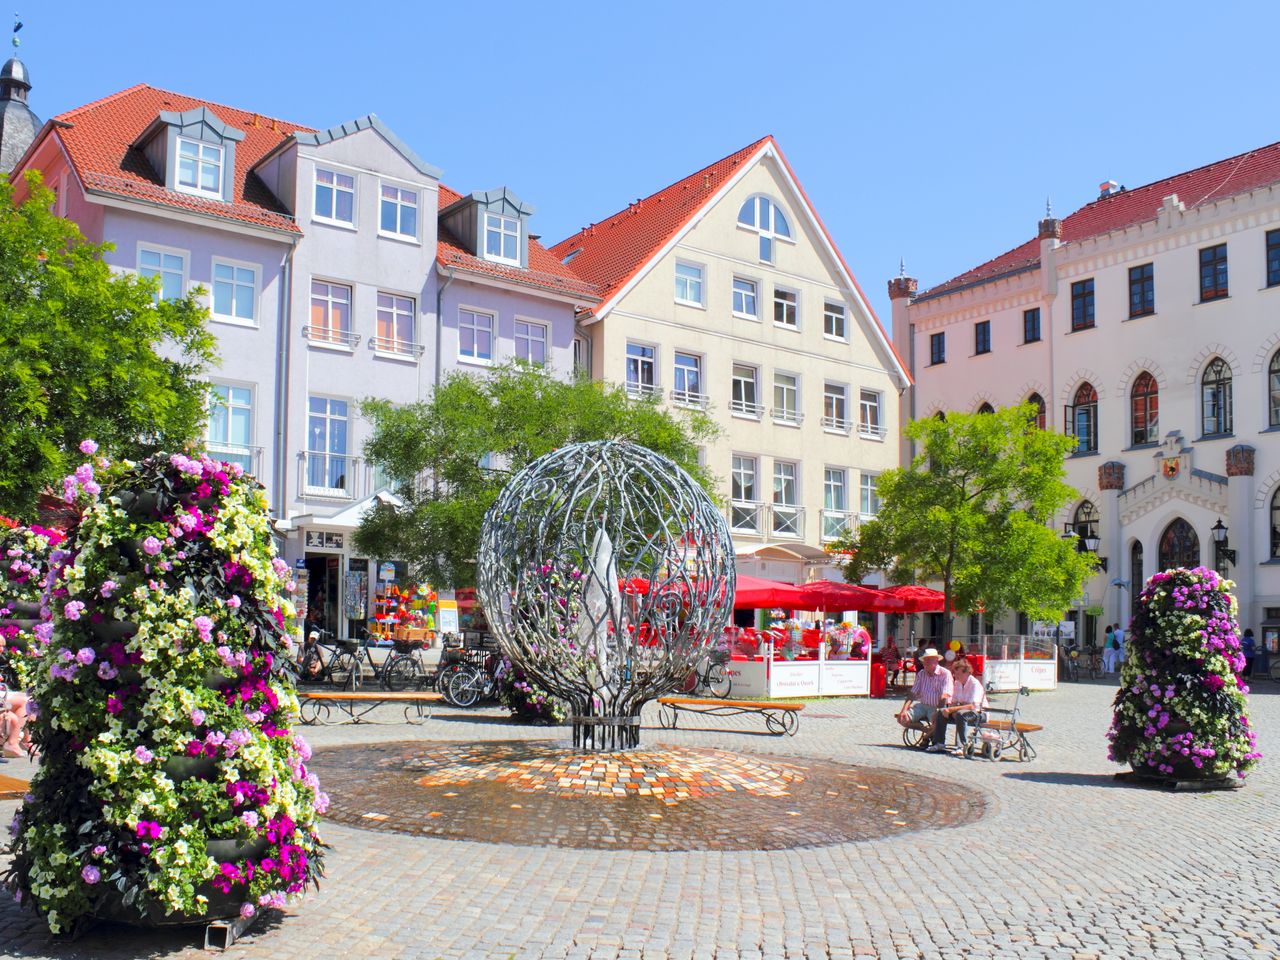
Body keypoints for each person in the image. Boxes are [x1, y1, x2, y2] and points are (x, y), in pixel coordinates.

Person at [895, 648, 953, 747]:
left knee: (938, 721)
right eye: (925, 660)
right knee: (902, 719)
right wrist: (904, 710)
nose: (926, 663)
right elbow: (913, 693)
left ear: (936, 660)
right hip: (922, 706)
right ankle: (924, 730)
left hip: (936, 706)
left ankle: (926, 738)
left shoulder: (945, 674)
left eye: (929, 660)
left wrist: (938, 711)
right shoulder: (921, 674)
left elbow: (945, 696)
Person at [929, 658, 987, 753]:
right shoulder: (957, 683)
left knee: (961, 714)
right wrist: (946, 710)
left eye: (958, 674)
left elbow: (971, 706)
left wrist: (953, 709)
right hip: (963, 711)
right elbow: (954, 702)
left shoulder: (974, 684)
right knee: (941, 712)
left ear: (967, 673)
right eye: (955, 673)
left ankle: (962, 745)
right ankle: (939, 743)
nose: (955, 676)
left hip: (980, 713)